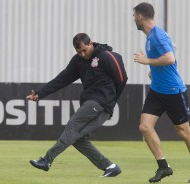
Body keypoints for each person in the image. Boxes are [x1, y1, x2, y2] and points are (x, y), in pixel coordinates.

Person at [26, 33, 127, 177]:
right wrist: (40, 93)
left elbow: (122, 78)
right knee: (78, 139)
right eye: (79, 52)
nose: (83, 54)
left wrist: (111, 100)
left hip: (101, 103)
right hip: (92, 102)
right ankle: (110, 166)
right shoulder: (78, 61)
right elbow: (62, 79)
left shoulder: (106, 56)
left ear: (90, 43)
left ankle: (47, 160)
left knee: (73, 125)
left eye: (84, 50)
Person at [132, 2, 190, 183]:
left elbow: (170, 57)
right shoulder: (153, 35)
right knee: (145, 127)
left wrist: (147, 61)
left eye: (134, 16)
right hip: (157, 90)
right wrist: (155, 70)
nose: (133, 19)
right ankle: (163, 167)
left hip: (173, 90)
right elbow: (172, 47)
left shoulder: (156, 35)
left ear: (140, 16)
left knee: (183, 131)